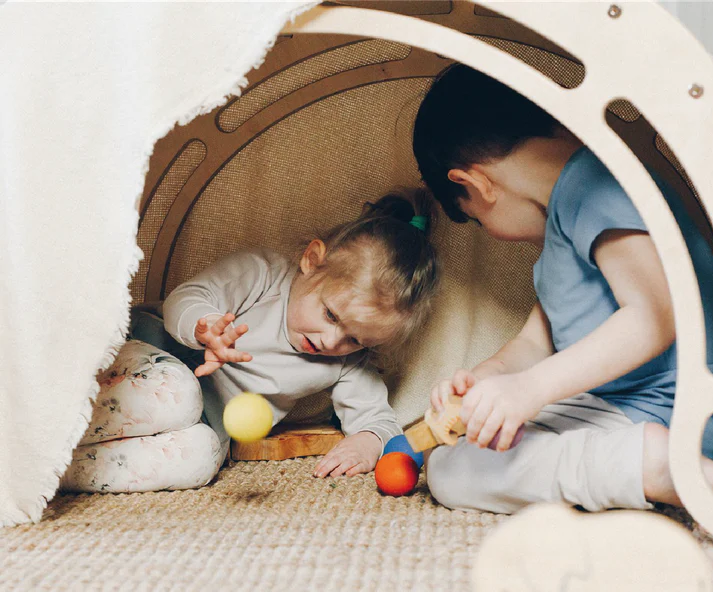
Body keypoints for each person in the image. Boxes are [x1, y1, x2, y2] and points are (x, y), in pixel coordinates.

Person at [412, 64, 713, 518]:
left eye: (477, 219)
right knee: (459, 456)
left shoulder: (593, 184)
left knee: (455, 472)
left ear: (473, 183)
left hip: (683, 412)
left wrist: (530, 390)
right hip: (630, 409)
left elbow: (652, 317)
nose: (491, 232)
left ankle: (648, 467)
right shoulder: (565, 230)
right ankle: (637, 463)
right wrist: (488, 380)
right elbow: (535, 343)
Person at [61, 190, 438, 493]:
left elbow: (379, 417)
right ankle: (53, 419)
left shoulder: (347, 361)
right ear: (312, 260)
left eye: (355, 338)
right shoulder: (263, 276)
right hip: (145, 356)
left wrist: (369, 442)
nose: (331, 341)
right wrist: (205, 327)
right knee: (180, 392)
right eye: (330, 315)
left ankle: (60, 469)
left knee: (203, 457)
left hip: (200, 420)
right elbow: (186, 299)